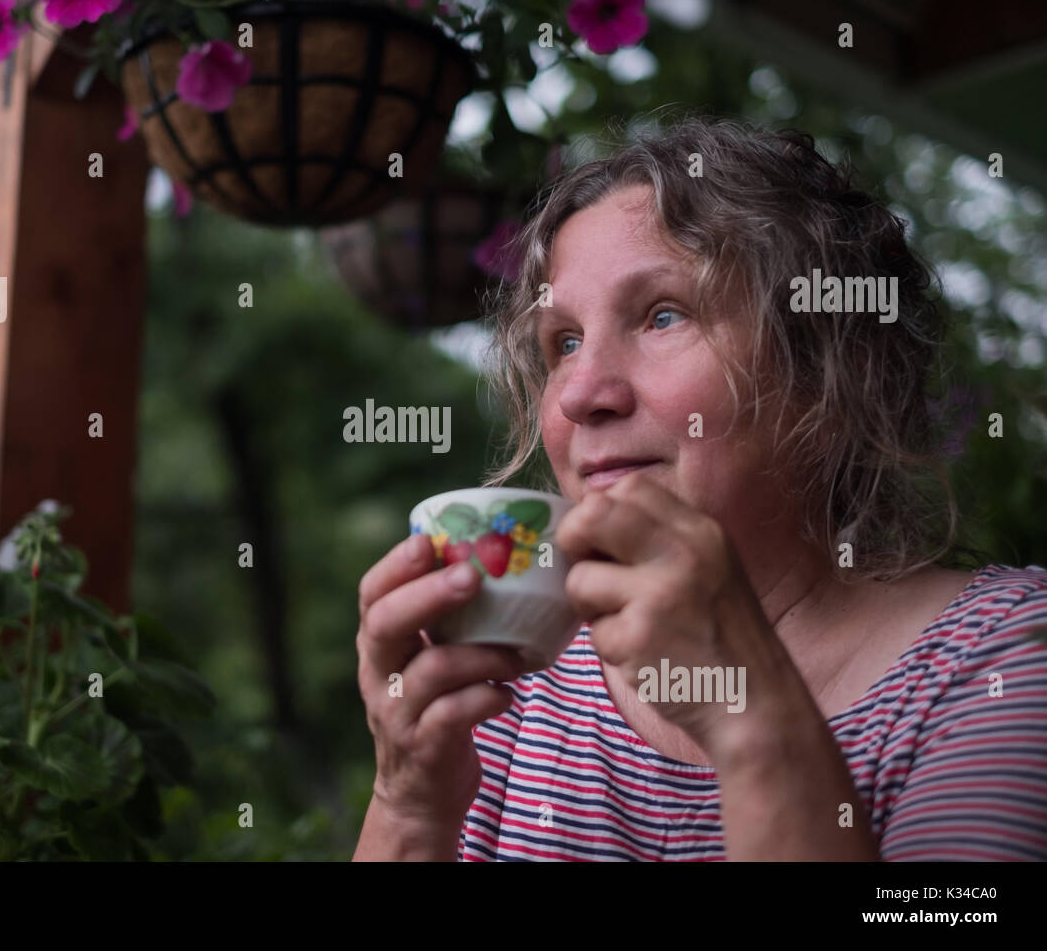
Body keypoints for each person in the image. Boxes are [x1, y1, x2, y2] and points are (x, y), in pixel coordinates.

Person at [352, 116, 1047, 861]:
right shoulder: (514, 685)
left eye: (662, 315)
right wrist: (408, 807)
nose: (582, 393)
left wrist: (748, 718)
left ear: (827, 370)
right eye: (565, 342)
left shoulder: (1004, 658)